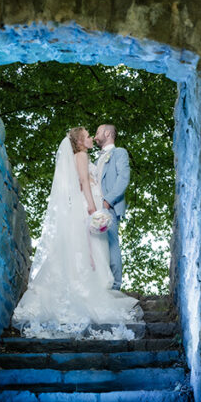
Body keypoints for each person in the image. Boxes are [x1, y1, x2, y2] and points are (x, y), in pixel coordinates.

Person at [10, 127, 141, 339]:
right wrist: (91, 206)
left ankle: (99, 284)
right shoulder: (81, 156)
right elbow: (83, 183)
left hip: (98, 204)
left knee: (96, 248)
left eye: (93, 134)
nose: (91, 137)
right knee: (91, 248)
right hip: (90, 205)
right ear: (80, 141)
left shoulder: (92, 155)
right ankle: (92, 288)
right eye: (88, 135)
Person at [93, 124, 130, 290]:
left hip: (109, 206)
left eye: (97, 132)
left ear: (107, 133)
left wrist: (108, 201)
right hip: (94, 209)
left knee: (112, 244)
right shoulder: (96, 159)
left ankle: (115, 286)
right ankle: (99, 284)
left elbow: (123, 178)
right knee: (96, 246)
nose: (95, 136)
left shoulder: (119, 153)